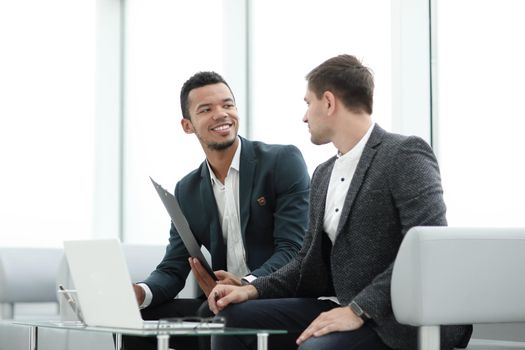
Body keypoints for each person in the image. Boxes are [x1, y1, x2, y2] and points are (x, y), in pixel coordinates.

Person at [207, 55, 473, 350]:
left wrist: (359, 309)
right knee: (229, 318)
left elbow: (428, 253)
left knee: (317, 348)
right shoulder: (323, 174)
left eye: (308, 103)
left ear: (329, 102)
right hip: (339, 306)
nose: (305, 116)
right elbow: (304, 264)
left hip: (397, 317)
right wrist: (251, 289)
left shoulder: (404, 154)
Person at [122, 71, 310, 350]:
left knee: (227, 317)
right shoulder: (187, 190)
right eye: (206, 109)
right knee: (137, 322)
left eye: (228, 105)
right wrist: (140, 292)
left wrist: (246, 285)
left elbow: (292, 249)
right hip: (220, 301)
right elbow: (172, 269)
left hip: (278, 296)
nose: (221, 114)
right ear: (188, 125)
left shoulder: (281, 162)